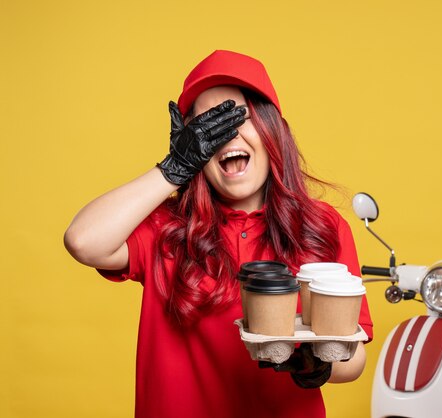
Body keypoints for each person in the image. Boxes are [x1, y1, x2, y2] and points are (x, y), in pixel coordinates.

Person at [64, 49, 374, 418]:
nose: (223, 138)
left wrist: (318, 365)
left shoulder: (321, 225)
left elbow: (354, 357)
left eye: (235, 118)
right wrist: (173, 169)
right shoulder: (166, 227)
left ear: (270, 129)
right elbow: (83, 241)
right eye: (206, 130)